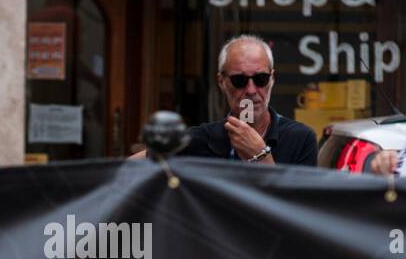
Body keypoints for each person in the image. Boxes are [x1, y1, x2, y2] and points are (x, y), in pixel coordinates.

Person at [131, 34, 317, 165]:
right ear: (221, 81)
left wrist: (261, 156)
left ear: (272, 79)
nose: (251, 90)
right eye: (239, 80)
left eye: (261, 79)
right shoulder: (202, 140)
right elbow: (131, 167)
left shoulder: (300, 138)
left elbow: (301, 212)